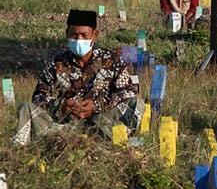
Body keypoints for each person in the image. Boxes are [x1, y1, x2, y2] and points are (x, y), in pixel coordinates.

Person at [12, 10, 145, 146]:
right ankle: (22, 153)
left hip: (101, 127)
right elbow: (39, 97)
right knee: (26, 108)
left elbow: (128, 92)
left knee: (137, 104)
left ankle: (115, 144)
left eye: (84, 35)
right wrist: (61, 106)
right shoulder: (56, 62)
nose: (79, 40)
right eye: (74, 35)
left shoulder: (112, 60)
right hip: (63, 127)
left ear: (94, 35)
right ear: (67, 34)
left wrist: (96, 105)